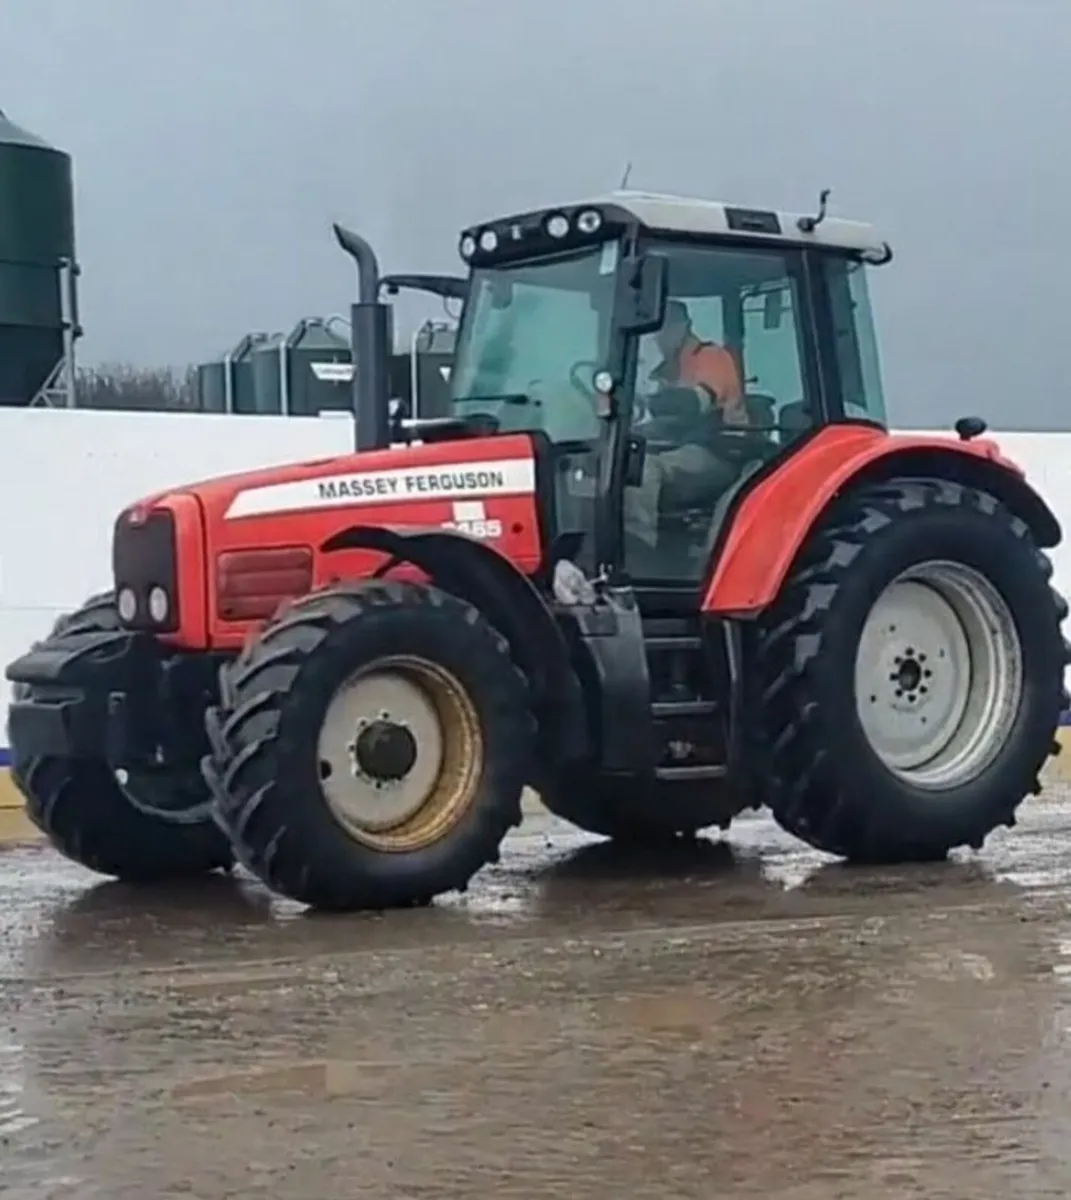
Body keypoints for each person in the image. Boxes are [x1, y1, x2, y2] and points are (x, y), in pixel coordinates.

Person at [626, 300, 748, 557]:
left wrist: (647, 401)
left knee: (642, 469)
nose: (659, 338)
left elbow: (696, 401)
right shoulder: (666, 371)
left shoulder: (712, 358)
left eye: (666, 328)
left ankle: (637, 556)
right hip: (684, 449)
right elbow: (667, 425)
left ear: (683, 326)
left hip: (720, 453)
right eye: (657, 331)